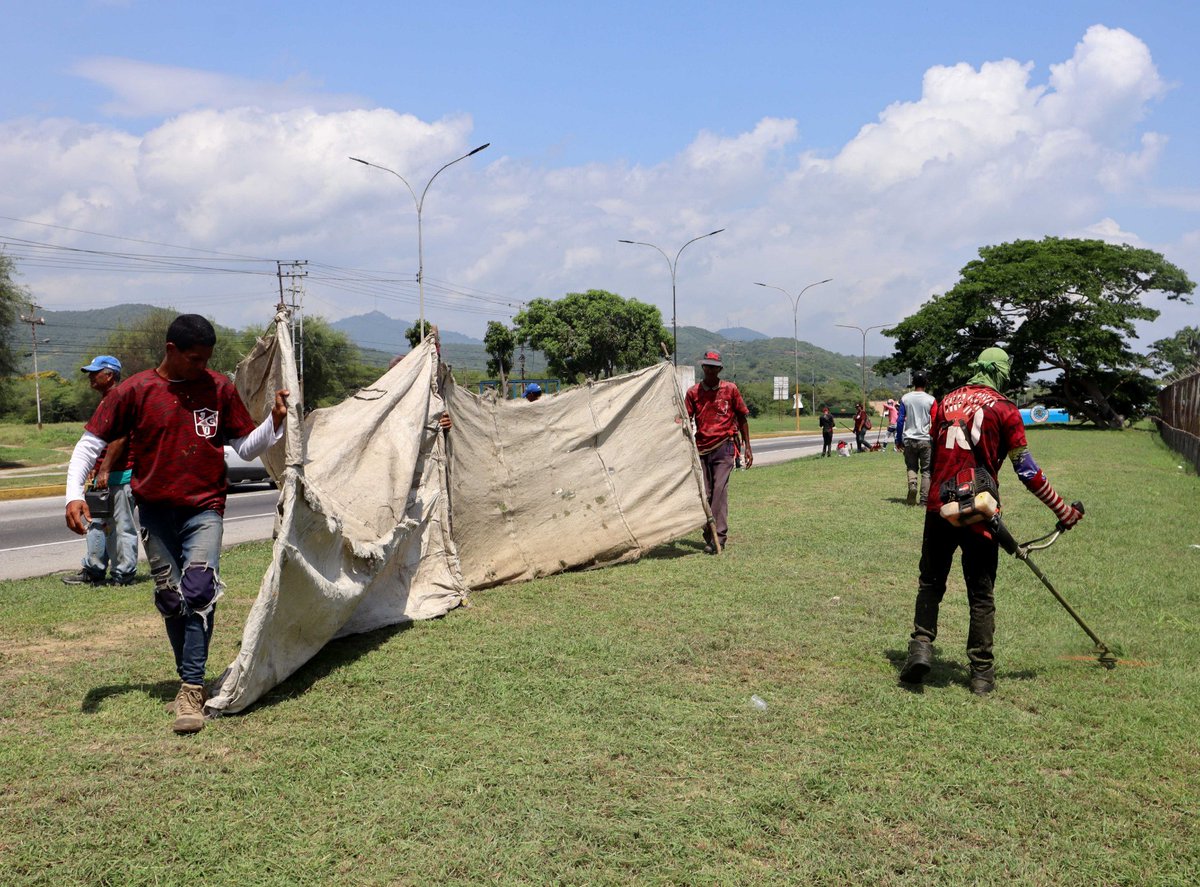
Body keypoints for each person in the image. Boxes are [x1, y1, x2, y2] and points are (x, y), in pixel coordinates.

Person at [64, 315, 289, 734]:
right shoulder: (136, 390)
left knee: (200, 589)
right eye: (193, 358)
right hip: (154, 511)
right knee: (171, 598)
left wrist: (273, 423)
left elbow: (243, 445)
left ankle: (190, 688)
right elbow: (90, 443)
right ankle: (189, 673)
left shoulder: (218, 387)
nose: (200, 366)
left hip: (205, 507)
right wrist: (73, 493)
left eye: (206, 358)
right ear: (171, 350)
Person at [897, 347, 1083, 696]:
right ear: (1000, 372)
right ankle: (981, 673)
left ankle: (921, 646)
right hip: (981, 511)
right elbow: (1026, 470)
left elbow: (937, 456)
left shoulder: (946, 401)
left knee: (931, 582)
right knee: (981, 593)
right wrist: (1062, 510)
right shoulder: (1006, 410)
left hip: (940, 506)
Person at [61, 356, 139, 588]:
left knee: (122, 525)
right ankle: (94, 569)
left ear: (110, 375)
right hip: (103, 475)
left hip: (121, 474)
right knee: (96, 523)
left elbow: (121, 436)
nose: (90, 376)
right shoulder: (107, 400)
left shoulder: (120, 398)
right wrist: (96, 467)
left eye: (96, 372)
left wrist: (104, 468)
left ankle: (123, 574)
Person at [684, 350, 752, 553]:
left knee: (719, 493)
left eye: (713, 367)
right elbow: (686, 420)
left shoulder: (730, 390)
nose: (710, 370)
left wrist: (748, 447)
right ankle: (709, 534)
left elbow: (742, 418)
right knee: (705, 494)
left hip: (725, 445)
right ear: (703, 367)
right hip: (702, 448)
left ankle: (719, 538)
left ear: (719, 369)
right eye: (706, 366)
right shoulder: (693, 392)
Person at [895, 371, 937, 506]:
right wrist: (933, 436)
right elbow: (935, 421)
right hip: (925, 439)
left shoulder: (905, 398)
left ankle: (912, 485)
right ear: (926, 382)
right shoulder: (931, 400)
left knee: (911, 466)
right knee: (926, 471)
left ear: (913, 383)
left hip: (909, 439)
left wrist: (898, 439)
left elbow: (900, 420)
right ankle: (924, 500)